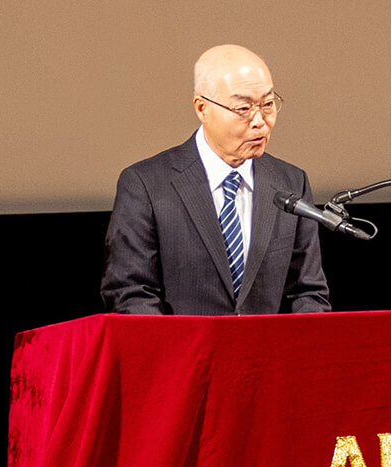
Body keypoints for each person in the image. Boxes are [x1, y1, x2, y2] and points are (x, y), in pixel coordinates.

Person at [101, 44, 331, 315]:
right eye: (243, 108)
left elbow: (307, 292)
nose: (260, 121)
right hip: (185, 354)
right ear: (202, 108)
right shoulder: (146, 184)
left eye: (268, 105)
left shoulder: (291, 182)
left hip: (268, 355)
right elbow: (130, 292)